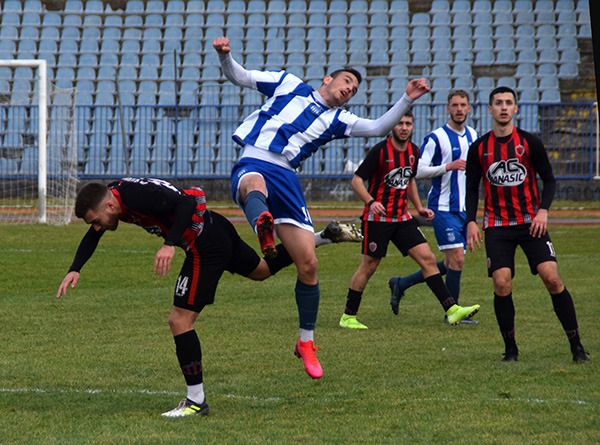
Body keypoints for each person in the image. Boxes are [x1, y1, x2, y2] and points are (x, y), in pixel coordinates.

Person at [213, 36, 430, 377]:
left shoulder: (338, 120)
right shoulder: (288, 84)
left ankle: (306, 342)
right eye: (347, 82)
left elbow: (376, 127)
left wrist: (406, 99)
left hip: (287, 177)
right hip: (255, 158)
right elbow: (240, 76)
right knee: (252, 183)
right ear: (328, 79)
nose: (349, 90)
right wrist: (224, 55)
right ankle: (263, 225)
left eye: (355, 89)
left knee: (309, 265)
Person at [56, 178, 359, 418]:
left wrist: (170, 244)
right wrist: (75, 268)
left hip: (204, 245)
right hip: (217, 228)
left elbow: (187, 202)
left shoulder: (134, 196)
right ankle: (322, 237)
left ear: (109, 205)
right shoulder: (115, 198)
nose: (97, 227)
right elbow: (94, 235)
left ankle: (195, 401)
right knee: (262, 270)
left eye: (96, 220)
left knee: (179, 321)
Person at [465, 86, 590, 363]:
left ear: (516, 108)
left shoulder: (530, 142)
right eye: (498, 103)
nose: (504, 107)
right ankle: (511, 350)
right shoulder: (479, 148)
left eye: (509, 102)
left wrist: (543, 211)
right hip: (497, 226)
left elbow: (550, 179)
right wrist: (471, 221)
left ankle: (577, 347)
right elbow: (472, 188)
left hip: (531, 223)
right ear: (490, 109)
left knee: (553, 278)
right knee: (501, 283)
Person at [338, 112, 481, 330]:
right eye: (400, 123)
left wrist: (419, 207)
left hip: (402, 218)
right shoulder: (380, 151)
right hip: (377, 219)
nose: (404, 127)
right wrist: (371, 201)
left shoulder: (414, 151)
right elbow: (357, 180)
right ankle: (348, 316)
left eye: (408, 124)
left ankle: (452, 310)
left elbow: (410, 180)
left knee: (428, 259)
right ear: (393, 127)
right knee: (369, 266)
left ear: (413, 127)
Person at [389, 90, 479, 324]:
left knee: (450, 264)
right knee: (457, 259)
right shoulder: (436, 137)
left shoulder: (473, 135)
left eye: (463, 105)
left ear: (469, 109)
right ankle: (454, 313)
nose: (459, 109)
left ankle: (401, 283)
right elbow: (417, 170)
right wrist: (447, 167)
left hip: (462, 210)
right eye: (454, 105)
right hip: (441, 207)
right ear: (447, 109)